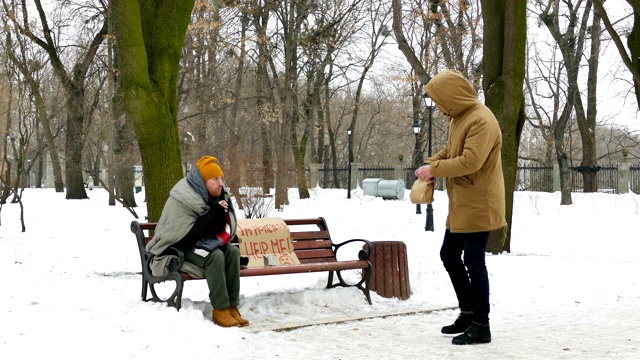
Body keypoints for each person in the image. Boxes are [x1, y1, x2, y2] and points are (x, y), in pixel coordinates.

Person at [415, 70, 506, 345]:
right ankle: (468, 313)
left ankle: (481, 325)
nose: (439, 107)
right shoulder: (461, 118)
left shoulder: (481, 119)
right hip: (462, 202)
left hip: (480, 202)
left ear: (452, 95)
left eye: (440, 100)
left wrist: (436, 168)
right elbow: (451, 151)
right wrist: (431, 164)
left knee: (474, 262)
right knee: (450, 254)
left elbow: (470, 161)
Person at [145, 155, 248, 328]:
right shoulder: (183, 198)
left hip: (202, 244)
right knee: (215, 256)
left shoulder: (217, 197)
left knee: (232, 252)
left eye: (221, 178)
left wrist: (219, 214)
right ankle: (220, 309)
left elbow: (216, 230)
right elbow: (185, 237)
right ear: (204, 181)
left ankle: (232, 306)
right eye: (215, 179)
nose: (220, 183)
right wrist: (213, 214)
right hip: (178, 249)